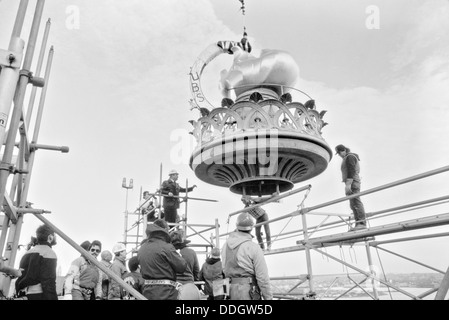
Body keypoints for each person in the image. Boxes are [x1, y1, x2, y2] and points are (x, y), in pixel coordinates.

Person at [222, 212, 273, 300]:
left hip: (230, 291)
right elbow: (263, 278)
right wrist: (268, 298)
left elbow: (224, 269)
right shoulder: (253, 247)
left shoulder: (225, 246)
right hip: (248, 292)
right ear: (252, 228)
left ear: (237, 226)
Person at [137, 219, 187, 300]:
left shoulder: (142, 248)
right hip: (166, 293)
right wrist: (178, 256)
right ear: (165, 230)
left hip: (147, 293)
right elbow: (181, 267)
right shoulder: (166, 247)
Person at [14, 224, 58, 300]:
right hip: (39, 295)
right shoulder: (49, 253)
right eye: (55, 236)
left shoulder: (27, 253)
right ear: (50, 237)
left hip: (24, 295)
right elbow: (48, 283)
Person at [335, 144, 367, 231]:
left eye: (340, 152)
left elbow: (351, 170)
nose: (339, 155)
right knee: (353, 204)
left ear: (344, 150)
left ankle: (361, 222)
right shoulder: (348, 157)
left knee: (356, 201)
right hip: (351, 182)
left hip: (353, 182)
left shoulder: (350, 157)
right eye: (338, 153)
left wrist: (348, 184)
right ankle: (358, 223)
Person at [170, 230, 201, 300]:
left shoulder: (170, 253)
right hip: (189, 285)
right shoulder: (191, 252)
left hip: (175, 286)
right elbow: (196, 271)